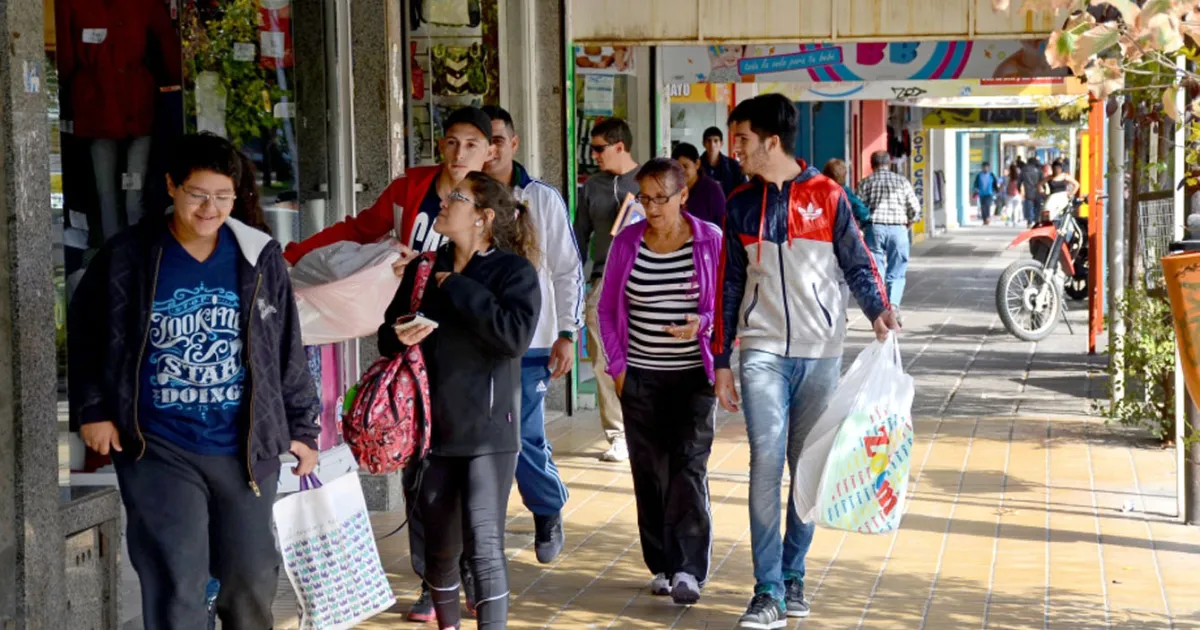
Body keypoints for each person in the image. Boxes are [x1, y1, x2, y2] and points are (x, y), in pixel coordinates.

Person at [68, 133, 320, 629]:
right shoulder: (129, 256)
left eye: (223, 196)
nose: (210, 208)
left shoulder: (257, 254)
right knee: (175, 579)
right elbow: (87, 333)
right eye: (197, 194)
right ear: (170, 186)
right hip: (159, 444)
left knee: (249, 577)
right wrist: (93, 408)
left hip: (245, 446)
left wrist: (302, 426)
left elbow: (286, 345)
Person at [283, 106, 496, 623]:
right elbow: (361, 228)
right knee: (417, 466)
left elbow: (510, 270)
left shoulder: (493, 200)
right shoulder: (413, 189)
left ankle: (474, 573)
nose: (459, 152)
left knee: (472, 475)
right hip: (409, 346)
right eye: (451, 141)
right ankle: (433, 580)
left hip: (468, 358)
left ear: (489, 150)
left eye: (471, 143)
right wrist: (293, 254)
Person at [712, 94, 898, 628]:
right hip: (762, 350)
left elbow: (858, 261)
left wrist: (879, 311)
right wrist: (723, 359)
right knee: (765, 462)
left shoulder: (828, 195)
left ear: (772, 141)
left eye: (743, 139)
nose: (734, 150)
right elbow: (728, 284)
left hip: (821, 354)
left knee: (807, 468)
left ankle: (793, 574)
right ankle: (766, 587)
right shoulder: (739, 203)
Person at [378, 172, 541, 630]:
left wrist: (458, 288)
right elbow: (387, 339)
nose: (444, 203)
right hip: (433, 430)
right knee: (440, 549)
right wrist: (400, 334)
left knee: (484, 544)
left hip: (490, 431)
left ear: (484, 218)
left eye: (456, 198)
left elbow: (513, 337)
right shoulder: (423, 268)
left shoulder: (514, 272)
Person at [596, 158, 722, 607]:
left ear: (683, 195)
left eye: (660, 198)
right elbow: (607, 310)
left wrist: (702, 323)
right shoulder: (628, 241)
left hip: (693, 377)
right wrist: (619, 368)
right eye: (644, 197)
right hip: (641, 377)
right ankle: (663, 564)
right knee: (650, 472)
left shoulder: (710, 240)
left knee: (688, 466)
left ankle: (689, 568)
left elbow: (726, 305)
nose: (650, 207)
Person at [480, 105, 582, 564]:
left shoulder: (541, 198)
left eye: (499, 139)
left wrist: (566, 332)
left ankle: (546, 507)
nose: (491, 148)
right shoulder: (459, 198)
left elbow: (566, 269)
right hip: (473, 341)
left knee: (521, 433)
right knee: (478, 437)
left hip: (532, 339)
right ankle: (482, 536)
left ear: (514, 143)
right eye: (485, 140)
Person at [575, 117, 640, 462]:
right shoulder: (592, 187)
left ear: (619, 146)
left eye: (600, 149)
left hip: (644, 278)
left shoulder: (648, 180)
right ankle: (618, 435)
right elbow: (579, 235)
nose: (595, 155)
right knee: (603, 359)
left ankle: (645, 426)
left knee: (642, 356)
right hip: (603, 280)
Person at [858, 150, 921, 307]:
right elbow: (915, 209)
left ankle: (879, 306)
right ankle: (893, 305)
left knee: (875, 270)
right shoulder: (902, 182)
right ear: (888, 163)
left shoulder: (865, 182)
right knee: (897, 270)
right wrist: (908, 223)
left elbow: (857, 207)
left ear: (872, 165)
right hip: (898, 229)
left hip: (874, 229)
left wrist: (861, 226)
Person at [671, 141, 727, 227]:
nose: (680, 172)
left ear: (697, 164)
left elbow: (722, 226)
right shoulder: (670, 189)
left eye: (685, 166)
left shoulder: (712, 191)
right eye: (676, 167)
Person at [822, 159, 872, 247]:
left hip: (821, 235)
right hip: (842, 234)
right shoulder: (844, 191)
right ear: (844, 175)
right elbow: (863, 212)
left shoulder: (818, 191)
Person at [702, 126, 747, 197]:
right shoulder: (696, 166)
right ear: (703, 143)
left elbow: (744, 190)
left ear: (721, 143)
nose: (712, 145)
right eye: (709, 140)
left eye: (716, 141)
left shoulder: (733, 165)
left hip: (728, 206)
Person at [1020, 157, 1044, 227]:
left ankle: (1029, 221)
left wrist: (1019, 188)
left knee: (1029, 206)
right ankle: (1036, 220)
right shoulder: (1039, 170)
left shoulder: (1024, 170)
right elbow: (1042, 181)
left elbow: (1020, 180)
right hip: (1037, 190)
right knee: (1037, 206)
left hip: (1028, 190)